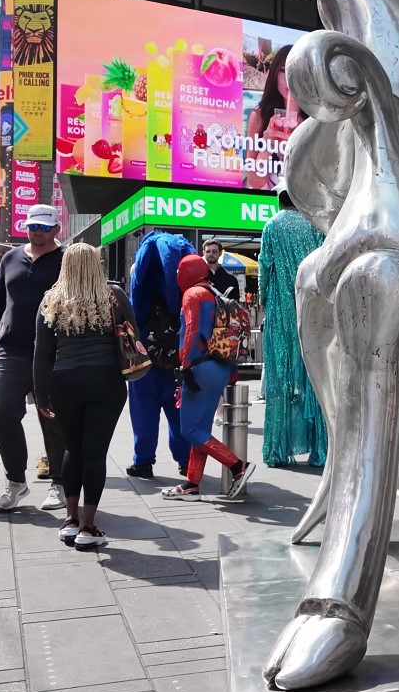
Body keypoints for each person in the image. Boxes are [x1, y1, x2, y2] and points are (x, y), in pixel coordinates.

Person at [34, 244, 135, 551]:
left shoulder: (51, 299)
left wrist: (40, 393)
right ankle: (89, 527)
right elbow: (135, 333)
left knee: (73, 450)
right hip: (106, 381)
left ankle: (69, 522)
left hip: (64, 381)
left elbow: (41, 352)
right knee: (95, 453)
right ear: (96, 264)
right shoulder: (113, 295)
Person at [0, 203, 68, 512]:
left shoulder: (67, 260)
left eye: (44, 228)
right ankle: (16, 481)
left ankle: (60, 482)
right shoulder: (11, 258)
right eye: (32, 227)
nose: (37, 232)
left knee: (54, 419)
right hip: (11, 348)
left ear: (57, 230)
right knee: (3, 412)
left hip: (54, 352)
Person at [162, 254, 253, 500]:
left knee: (191, 429)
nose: (178, 276)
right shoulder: (214, 291)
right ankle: (192, 484)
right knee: (200, 428)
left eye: (180, 271)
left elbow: (191, 331)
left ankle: (237, 466)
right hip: (220, 366)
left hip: (200, 367)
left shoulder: (192, 294)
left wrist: (185, 364)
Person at [258, 205, 326, 468]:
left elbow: (264, 268)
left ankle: (276, 450)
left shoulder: (272, 225)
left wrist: (265, 300)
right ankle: (319, 450)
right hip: (311, 309)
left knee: (280, 378)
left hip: (281, 309)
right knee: (314, 376)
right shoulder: (315, 224)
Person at [127, 230, 194, 480]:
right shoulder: (187, 284)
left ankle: (143, 462)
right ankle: (185, 461)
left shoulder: (141, 276)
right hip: (179, 356)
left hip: (146, 357)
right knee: (178, 410)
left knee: (143, 409)